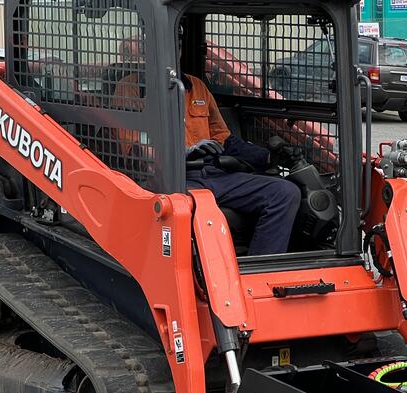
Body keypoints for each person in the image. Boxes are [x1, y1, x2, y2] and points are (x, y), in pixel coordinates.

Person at [114, 65, 300, 256]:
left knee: (285, 192)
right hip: (171, 180)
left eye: (178, 47)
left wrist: (268, 157)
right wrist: (183, 154)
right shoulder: (133, 87)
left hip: (213, 173)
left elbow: (224, 139)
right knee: (198, 206)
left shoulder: (197, 86)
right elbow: (134, 149)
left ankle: (261, 267)